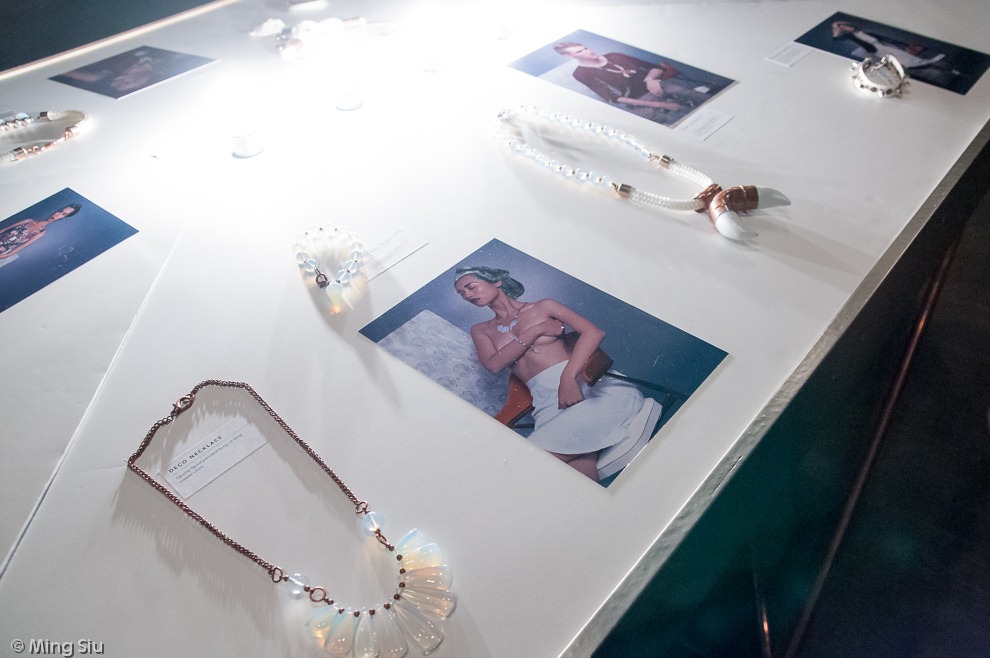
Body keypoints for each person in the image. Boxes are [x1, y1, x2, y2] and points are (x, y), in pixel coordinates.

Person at [454, 266, 648, 482]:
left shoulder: (544, 306)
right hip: (548, 406)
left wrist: (568, 378)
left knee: (535, 457)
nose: (467, 295)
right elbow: (494, 364)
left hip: (588, 392)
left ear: (496, 282)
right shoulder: (481, 330)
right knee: (574, 469)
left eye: (470, 287)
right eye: (461, 293)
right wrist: (536, 330)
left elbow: (593, 332)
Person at [553, 42, 710, 124]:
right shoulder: (581, 73)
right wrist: (661, 104)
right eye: (580, 51)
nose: (588, 51)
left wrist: (650, 80)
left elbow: (654, 67)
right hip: (638, 100)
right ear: (569, 56)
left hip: (656, 85)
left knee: (685, 92)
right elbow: (612, 98)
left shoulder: (614, 55)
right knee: (660, 117)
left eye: (585, 48)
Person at [0, 204, 81, 260]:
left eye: (63, 214)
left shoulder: (41, 233)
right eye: (60, 211)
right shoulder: (28, 221)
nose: (57, 214)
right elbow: (5, 229)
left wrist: (6, 255)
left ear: (63, 218)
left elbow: (21, 247)